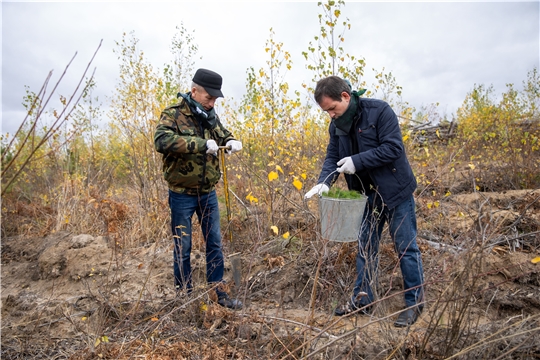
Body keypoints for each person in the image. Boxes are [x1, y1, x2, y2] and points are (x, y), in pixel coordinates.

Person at [304, 76, 425, 327]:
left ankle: (414, 304)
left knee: (405, 248)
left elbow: (393, 148)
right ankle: (363, 300)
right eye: (326, 111)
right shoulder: (335, 125)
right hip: (365, 196)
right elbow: (333, 156)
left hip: (395, 192)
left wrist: (357, 161)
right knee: (365, 247)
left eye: (332, 109)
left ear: (345, 97)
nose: (330, 115)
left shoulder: (379, 111)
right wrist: (325, 181)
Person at [154, 68, 243, 309]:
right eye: (209, 97)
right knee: (183, 246)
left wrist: (231, 141)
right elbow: (161, 141)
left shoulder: (210, 115)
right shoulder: (173, 115)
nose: (212, 102)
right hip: (182, 195)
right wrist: (201, 145)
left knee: (214, 243)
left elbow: (222, 135)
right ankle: (185, 297)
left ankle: (218, 294)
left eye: (215, 98)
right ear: (194, 92)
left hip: (207, 193)